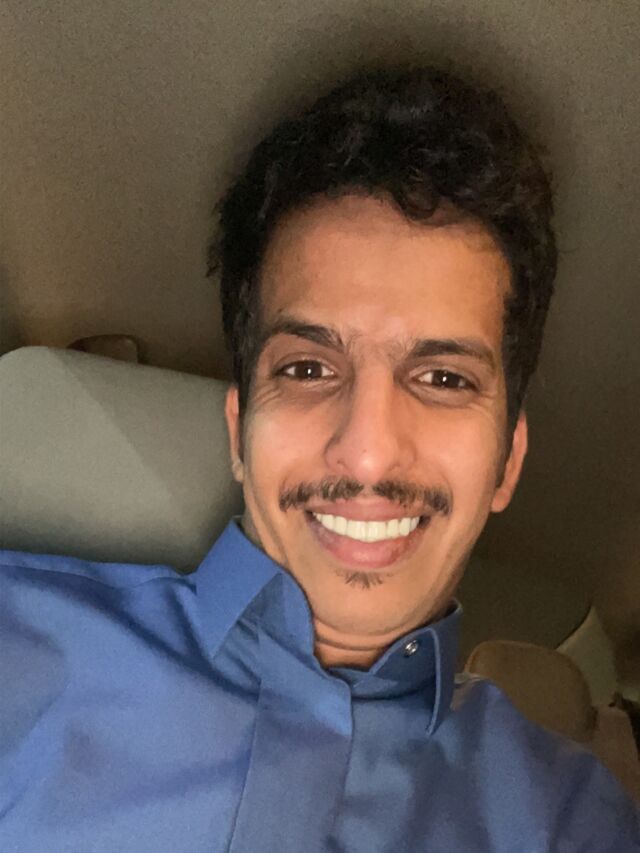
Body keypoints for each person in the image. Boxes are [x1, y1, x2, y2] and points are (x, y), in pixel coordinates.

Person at [0, 66, 637, 852]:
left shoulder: (573, 820)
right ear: (239, 431)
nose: (367, 451)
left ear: (508, 461)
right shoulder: (14, 647)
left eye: (444, 378)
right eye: (307, 368)